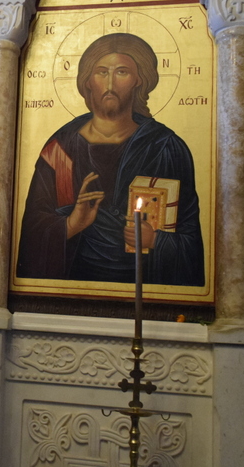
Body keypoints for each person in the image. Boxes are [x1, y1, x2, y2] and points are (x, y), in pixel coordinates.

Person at [16, 32, 204, 285]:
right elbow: (33, 231)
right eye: (101, 72)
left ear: (140, 80)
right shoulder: (61, 150)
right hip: (74, 285)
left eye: (122, 72)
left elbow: (190, 238)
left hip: (146, 287)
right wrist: (71, 224)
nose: (110, 83)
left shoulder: (165, 147)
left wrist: (156, 240)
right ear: (87, 80)